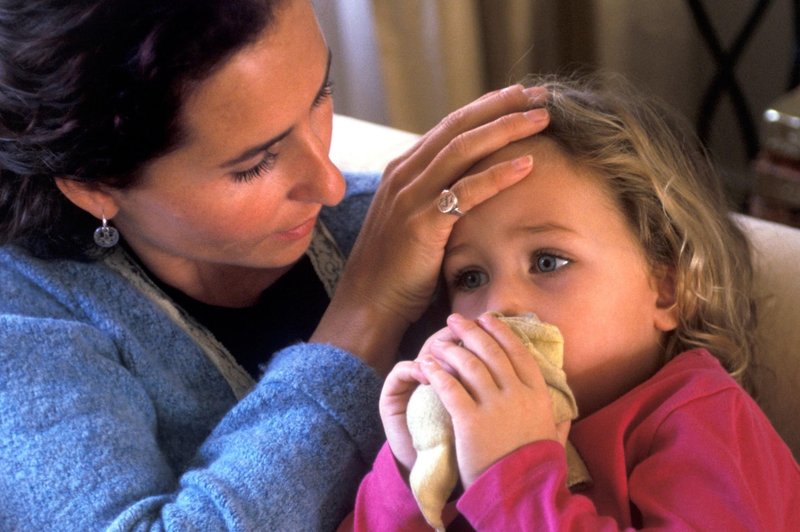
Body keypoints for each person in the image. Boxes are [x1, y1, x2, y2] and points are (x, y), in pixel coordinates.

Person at [0, 0, 551, 529]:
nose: (330, 184)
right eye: (256, 163)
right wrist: (367, 314)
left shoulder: (413, 233)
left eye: (321, 95)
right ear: (95, 187)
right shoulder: (25, 325)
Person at [345, 74, 800, 530]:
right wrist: (412, 472)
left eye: (547, 262)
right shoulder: (472, 427)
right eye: (470, 277)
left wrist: (513, 473)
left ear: (668, 290)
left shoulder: (705, 422)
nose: (497, 307)